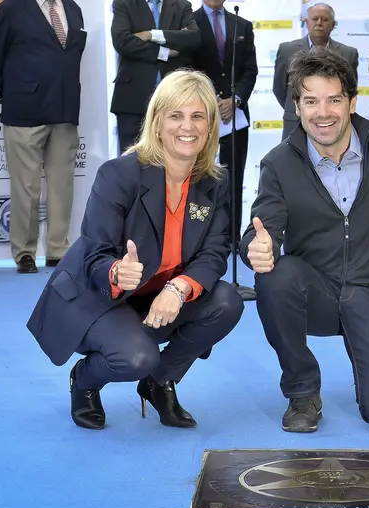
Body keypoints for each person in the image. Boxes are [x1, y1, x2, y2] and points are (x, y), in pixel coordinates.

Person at [26, 70, 244, 430]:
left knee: (227, 302)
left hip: (157, 295)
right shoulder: (120, 174)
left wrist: (179, 288)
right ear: (157, 123)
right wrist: (116, 271)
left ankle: (159, 382)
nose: (187, 126)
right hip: (100, 296)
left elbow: (214, 252)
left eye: (198, 116)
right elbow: (95, 253)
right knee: (136, 357)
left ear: (209, 127)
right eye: (175, 115)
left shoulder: (214, 182)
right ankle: (84, 379)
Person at [240, 49, 369, 434]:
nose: (323, 112)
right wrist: (257, 248)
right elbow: (261, 228)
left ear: (352, 102)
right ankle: (302, 391)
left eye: (333, 100)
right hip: (316, 291)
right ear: (297, 106)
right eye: (311, 101)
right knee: (275, 276)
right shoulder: (279, 163)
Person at [0, 0, 86, 273]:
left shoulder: (73, 9)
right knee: (26, 186)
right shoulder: (10, 8)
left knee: (62, 185)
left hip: (65, 109)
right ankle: (25, 252)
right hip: (24, 109)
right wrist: (14, 91)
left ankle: (57, 249)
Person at [192, 0, 258, 250]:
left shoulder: (242, 24)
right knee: (198, 175)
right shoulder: (188, 22)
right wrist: (212, 99)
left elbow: (250, 70)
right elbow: (187, 67)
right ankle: (198, 237)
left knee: (233, 176)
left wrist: (235, 99)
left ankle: (232, 237)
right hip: (200, 111)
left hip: (235, 116)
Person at [110, 0, 201, 154]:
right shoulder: (124, 3)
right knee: (131, 160)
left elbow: (193, 37)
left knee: (171, 158)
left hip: (174, 100)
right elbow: (122, 41)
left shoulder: (181, 5)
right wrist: (164, 52)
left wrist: (151, 35)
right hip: (133, 100)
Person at [273, 3, 358, 140]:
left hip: (332, 122)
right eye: (315, 19)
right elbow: (279, 89)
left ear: (333, 25)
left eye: (324, 19)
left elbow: (350, 91)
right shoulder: (287, 50)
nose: (319, 23)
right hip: (295, 121)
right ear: (307, 23)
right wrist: (301, 107)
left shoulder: (348, 54)